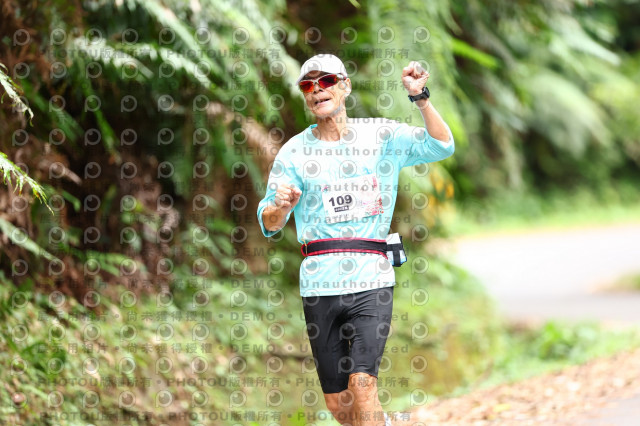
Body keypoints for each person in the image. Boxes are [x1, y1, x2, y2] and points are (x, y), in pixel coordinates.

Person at [257, 53, 454, 426]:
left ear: (345, 86)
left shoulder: (381, 135)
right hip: (319, 284)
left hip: (371, 278)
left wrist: (420, 98)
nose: (317, 90)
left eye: (326, 81)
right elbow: (269, 222)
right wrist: (280, 207)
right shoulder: (294, 152)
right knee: (340, 406)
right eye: (308, 85)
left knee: (362, 385)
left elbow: (441, 145)